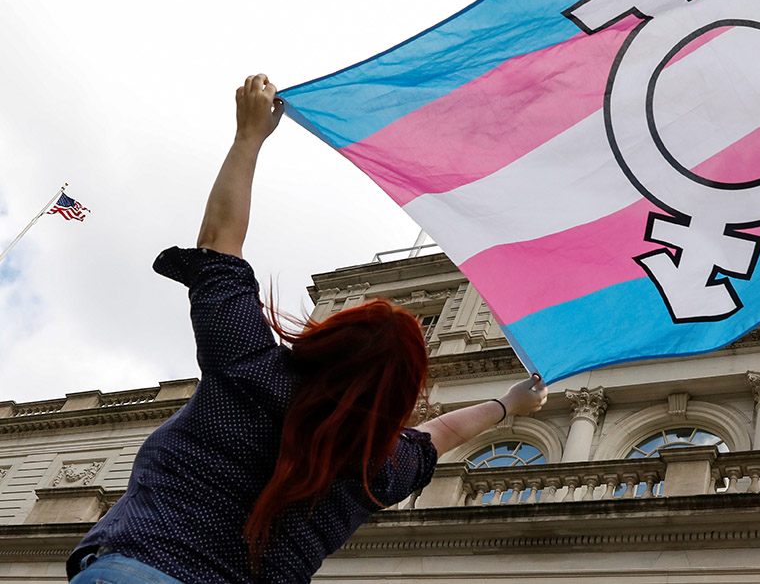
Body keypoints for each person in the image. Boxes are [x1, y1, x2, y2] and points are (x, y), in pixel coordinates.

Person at [67, 74, 548, 584]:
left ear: (325, 337)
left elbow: (218, 243)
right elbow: (444, 431)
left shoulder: (249, 368)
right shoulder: (379, 466)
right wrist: (509, 406)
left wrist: (248, 139)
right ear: (405, 388)